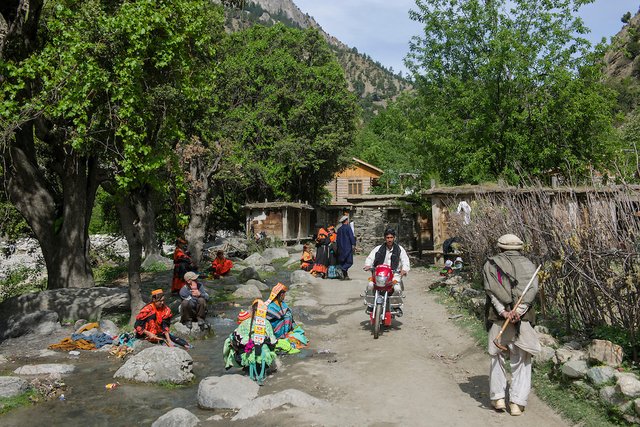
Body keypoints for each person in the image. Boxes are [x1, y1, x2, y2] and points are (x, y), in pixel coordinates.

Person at [483, 233, 540, 416]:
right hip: (521, 318)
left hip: (501, 318)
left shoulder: (490, 264)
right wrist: (519, 311)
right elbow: (532, 291)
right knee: (522, 360)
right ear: (519, 248)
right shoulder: (530, 265)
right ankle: (517, 403)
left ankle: (498, 397)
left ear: (500, 248)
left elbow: (491, 292)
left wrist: (504, 312)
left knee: (496, 356)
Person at [222, 299, 278, 384]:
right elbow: (273, 342)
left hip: (247, 356)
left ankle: (246, 367)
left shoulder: (245, 323)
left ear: (252, 311)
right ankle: (264, 369)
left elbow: (234, 339)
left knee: (229, 341)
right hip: (263, 356)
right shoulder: (266, 323)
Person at [363, 228, 410, 295]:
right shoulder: (378, 249)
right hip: (380, 274)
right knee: (370, 285)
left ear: (394, 238)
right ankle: (370, 303)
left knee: (397, 289)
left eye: (391, 237)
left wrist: (404, 269)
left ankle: (396, 304)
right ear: (385, 238)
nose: (389, 240)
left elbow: (405, 260)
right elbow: (370, 258)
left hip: (394, 275)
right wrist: (368, 265)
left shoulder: (400, 249)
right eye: (387, 237)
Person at [336, 215, 356, 280]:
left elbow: (337, 239)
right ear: (346, 221)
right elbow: (351, 236)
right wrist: (353, 244)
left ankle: (345, 276)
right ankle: (342, 269)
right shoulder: (348, 228)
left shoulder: (339, 229)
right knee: (349, 262)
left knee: (343, 262)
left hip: (340, 248)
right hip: (347, 247)